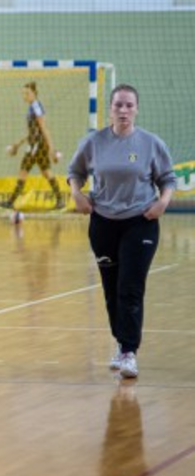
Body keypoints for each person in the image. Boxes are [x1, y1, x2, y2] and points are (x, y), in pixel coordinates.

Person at [67, 85, 175, 380]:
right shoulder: (94, 142)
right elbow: (75, 172)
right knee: (111, 288)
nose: (123, 110)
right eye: (118, 105)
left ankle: (129, 351)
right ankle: (121, 343)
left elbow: (167, 178)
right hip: (103, 223)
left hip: (140, 221)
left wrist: (162, 203)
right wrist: (77, 194)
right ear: (110, 109)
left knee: (130, 287)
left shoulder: (151, 143)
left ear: (137, 109)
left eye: (129, 105)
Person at [0, 81, 64, 210]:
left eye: (27, 93)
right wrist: (18, 144)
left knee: (24, 170)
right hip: (36, 144)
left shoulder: (36, 107)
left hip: (37, 146)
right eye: (23, 93)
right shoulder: (32, 107)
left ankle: (10, 202)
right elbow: (32, 132)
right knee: (46, 172)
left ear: (34, 93)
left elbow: (43, 128)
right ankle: (60, 200)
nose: (25, 96)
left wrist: (51, 148)